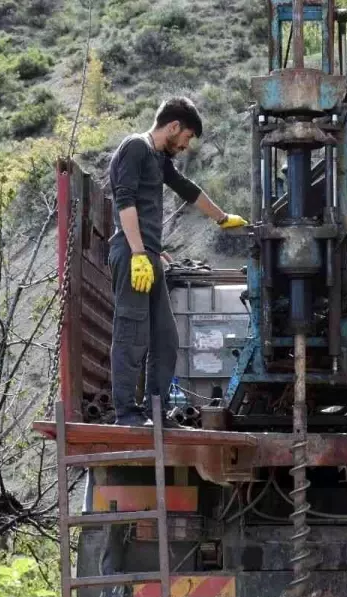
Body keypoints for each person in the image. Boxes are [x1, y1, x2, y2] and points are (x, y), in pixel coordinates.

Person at [108, 97, 247, 427]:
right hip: (132, 256)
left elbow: (187, 188)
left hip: (148, 256)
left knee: (165, 338)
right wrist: (140, 253)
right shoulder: (136, 147)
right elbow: (124, 202)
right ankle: (127, 413)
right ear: (173, 127)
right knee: (131, 332)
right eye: (186, 138)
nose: (185, 146)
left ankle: (155, 413)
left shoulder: (157, 159)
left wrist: (222, 217)